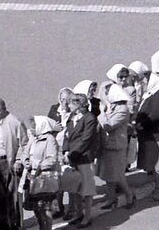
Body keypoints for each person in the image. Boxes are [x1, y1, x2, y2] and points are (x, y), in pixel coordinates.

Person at [0, 97, 27, 227]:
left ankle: (15, 224)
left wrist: (18, 160)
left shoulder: (15, 122)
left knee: (11, 196)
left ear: (4, 110)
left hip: (7, 162)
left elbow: (24, 144)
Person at [97, 84, 135, 210]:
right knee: (108, 174)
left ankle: (129, 195)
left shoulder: (123, 109)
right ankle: (111, 198)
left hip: (117, 146)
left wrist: (101, 113)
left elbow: (108, 125)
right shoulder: (112, 107)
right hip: (107, 145)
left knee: (118, 175)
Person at [135, 72, 159, 201]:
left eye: (144, 82)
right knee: (151, 163)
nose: (142, 84)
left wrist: (142, 124)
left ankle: (158, 189)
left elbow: (157, 113)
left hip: (155, 135)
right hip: (148, 134)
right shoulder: (151, 93)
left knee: (158, 164)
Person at [19, 117, 60, 230]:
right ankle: (42, 227)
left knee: (46, 208)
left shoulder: (50, 140)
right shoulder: (33, 138)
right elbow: (25, 152)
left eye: (33, 128)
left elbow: (52, 160)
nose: (31, 130)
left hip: (44, 179)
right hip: (31, 177)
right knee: (36, 208)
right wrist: (25, 161)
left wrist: (35, 164)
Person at [63, 93, 97, 227]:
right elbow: (67, 136)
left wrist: (72, 154)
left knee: (87, 189)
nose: (68, 105)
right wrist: (66, 151)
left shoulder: (89, 118)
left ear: (78, 105)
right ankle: (78, 213)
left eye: (71, 103)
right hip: (73, 156)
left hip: (84, 158)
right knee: (76, 187)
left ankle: (87, 216)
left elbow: (86, 140)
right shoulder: (72, 117)